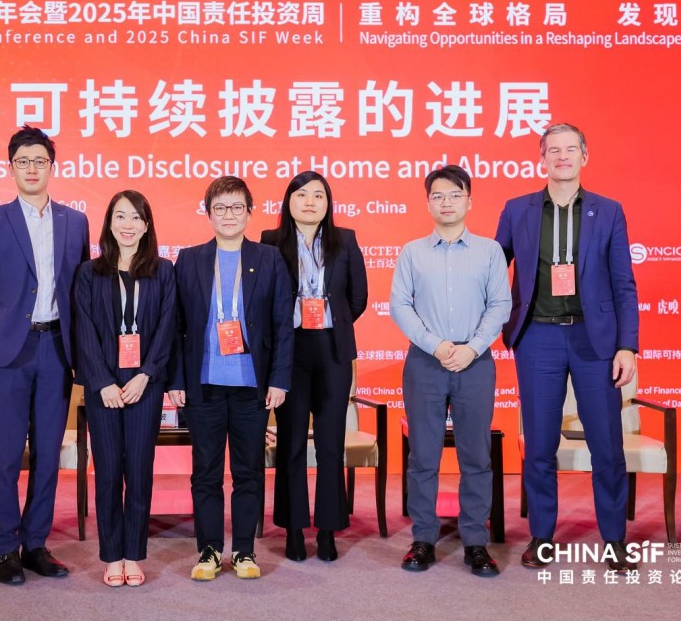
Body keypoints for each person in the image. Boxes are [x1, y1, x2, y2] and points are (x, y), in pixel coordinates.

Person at [495, 122, 640, 574]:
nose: (562, 157)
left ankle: (614, 539)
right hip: (537, 338)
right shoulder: (517, 210)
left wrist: (627, 346)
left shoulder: (608, 211)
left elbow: (624, 283)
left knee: (607, 446)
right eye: (553, 150)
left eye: (570, 149)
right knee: (540, 445)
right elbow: (491, 270)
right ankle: (542, 536)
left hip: (595, 341)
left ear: (584, 156)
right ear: (541, 159)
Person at [0, 125, 90, 585]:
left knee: (47, 453)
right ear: (11, 168)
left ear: (52, 167)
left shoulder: (75, 222)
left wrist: (85, 355)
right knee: (4, 455)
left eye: (40, 161)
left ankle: (36, 543)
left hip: (57, 349)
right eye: (24, 162)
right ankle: (5, 548)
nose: (32, 168)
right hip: (8, 354)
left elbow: (82, 294)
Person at [170, 175, 294, 581]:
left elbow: (282, 324)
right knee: (205, 472)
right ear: (208, 213)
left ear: (249, 213)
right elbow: (176, 326)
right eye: (220, 207)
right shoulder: (189, 259)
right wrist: (176, 380)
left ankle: (243, 550)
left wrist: (279, 379)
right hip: (203, 385)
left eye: (237, 207)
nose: (228, 215)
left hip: (251, 386)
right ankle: (208, 550)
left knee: (248, 472)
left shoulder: (269, 258)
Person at [390, 165, 511, 576]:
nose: (446, 203)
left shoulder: (489, 251)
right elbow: (400, 305)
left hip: (475, 362)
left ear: (469, 201)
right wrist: (437, 345)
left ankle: (475, 541)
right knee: (422, 456)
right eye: (438, 196)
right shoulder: (412, 252)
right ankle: (423, 539)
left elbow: (500, 304)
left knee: (475, 455)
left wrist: (472, 347)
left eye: (455, 195)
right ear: (428, 203)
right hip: (426, 361)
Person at [260, 171, 368, 562]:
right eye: (302, 194)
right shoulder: (271, 242)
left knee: (329, 444)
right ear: (288, 201)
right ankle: (292, 530)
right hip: (289, 352)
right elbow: (265, 297)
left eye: (318, 195)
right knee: (290, 443)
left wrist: (331, 321)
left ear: (328, 203)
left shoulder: (346, 240)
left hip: (332, 351)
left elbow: (358, 298)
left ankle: (327, 530)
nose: (310, 202)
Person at [74, 190, 177, 587]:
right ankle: (111, 556)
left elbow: (168, 327)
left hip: (144, 387)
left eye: (136, 217)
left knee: (138, 471)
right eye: (120, 216)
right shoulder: (89, 273)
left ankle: (133, 555)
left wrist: (145, 375)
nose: (128, 224)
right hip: (103, 388)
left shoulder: (163, 271)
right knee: (107, 474)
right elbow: (83, 330)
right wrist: (101, 382)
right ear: (109, 223)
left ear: (147, 225)